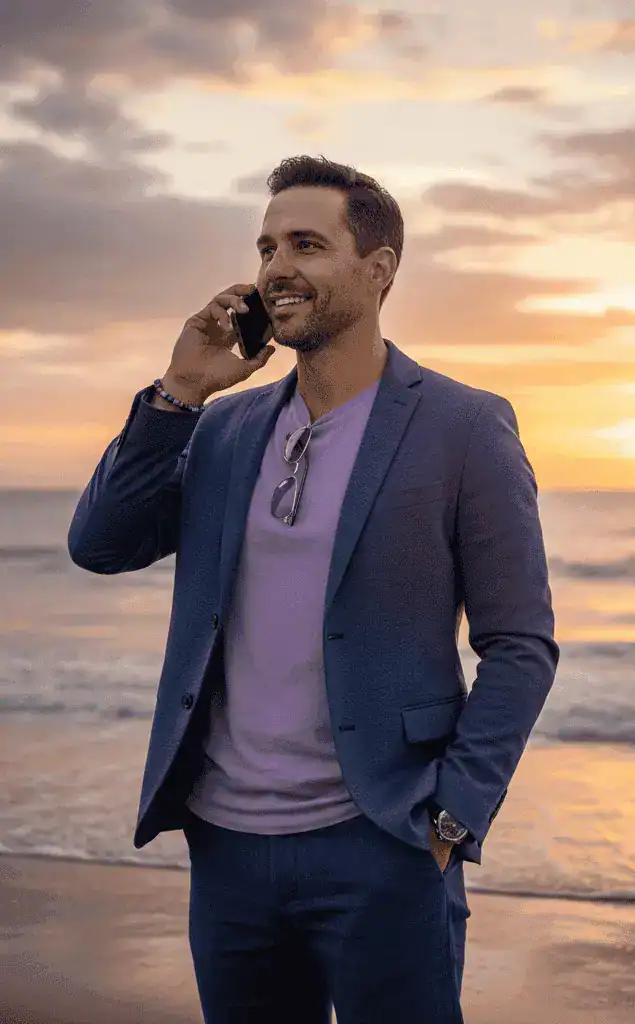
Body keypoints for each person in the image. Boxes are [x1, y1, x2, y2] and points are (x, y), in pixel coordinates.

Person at [68, 155, 559, 1023]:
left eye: (305, 243)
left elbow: (517, 644)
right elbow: (100, 547)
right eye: (265, 248)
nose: (274, 268)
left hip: (384, 842)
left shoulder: (463, 426)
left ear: (378, 269)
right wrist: (178, 392)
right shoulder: (222, 428)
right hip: (225, 844)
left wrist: (449, 821)